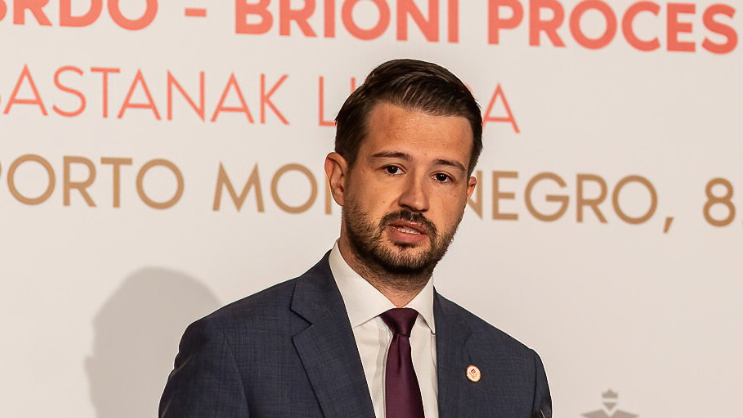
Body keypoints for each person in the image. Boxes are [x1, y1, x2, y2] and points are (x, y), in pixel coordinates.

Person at [159, 59, 552, 418]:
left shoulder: (516, 374)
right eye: (393, 168)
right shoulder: (234, 348)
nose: (416, 199)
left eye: (442, 176)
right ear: (339, 179)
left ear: (466, 194)